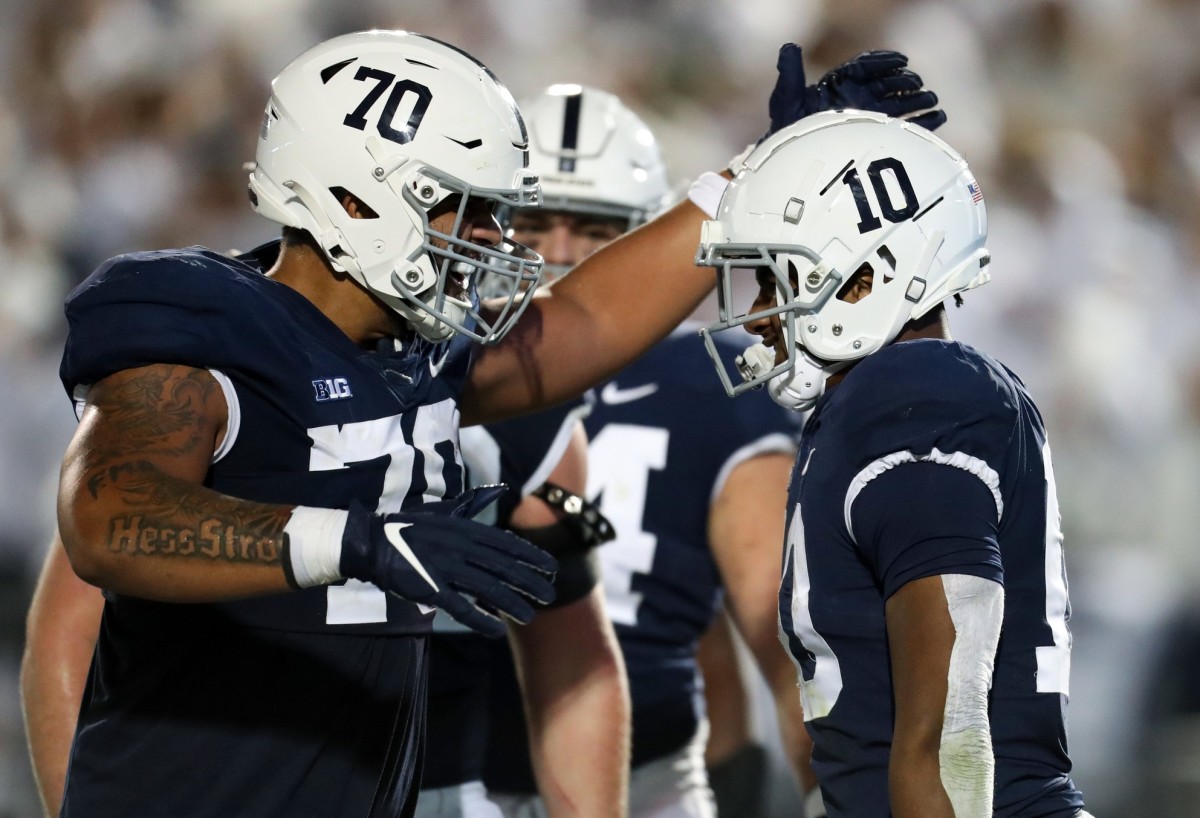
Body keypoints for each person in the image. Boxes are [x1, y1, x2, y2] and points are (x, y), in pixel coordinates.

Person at [33, 28, 931, 818]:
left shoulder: (412, 350)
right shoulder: (206, 325)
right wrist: (354, 543)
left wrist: (755, 177)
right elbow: (108, 518)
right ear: (356, 199)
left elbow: (583, 324)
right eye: (463, 209)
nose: (502, 245)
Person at [481, 76, 942, 818]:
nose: (559, 254)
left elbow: (779, 628)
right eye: (534, 225)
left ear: (643, 240)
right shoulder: (428, 363)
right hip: (441, 760)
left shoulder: (714, 382)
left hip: (642, 770)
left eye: (595, 231)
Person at [696, 109, 1091, 817]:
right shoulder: (870, 403)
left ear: (863, 280)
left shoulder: (917, 395)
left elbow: (946, 744)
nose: (756, 315)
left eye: (771, 281)